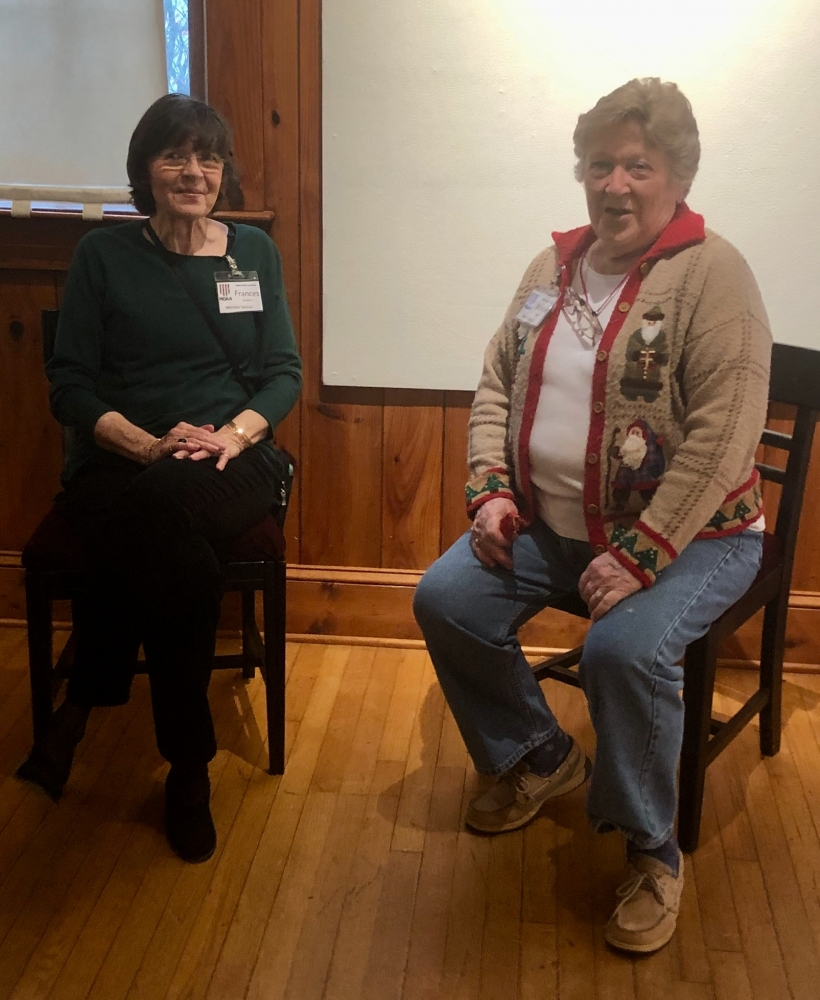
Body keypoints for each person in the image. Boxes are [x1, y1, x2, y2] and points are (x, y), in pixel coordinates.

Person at [413, 78, 770, 953]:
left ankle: (653, 850)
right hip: (556, 524)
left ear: (678, 176)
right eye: (600, 164)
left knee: (622, 650)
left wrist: (643, 552)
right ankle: (540, 756)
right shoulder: (551, 268)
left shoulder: (714, 274)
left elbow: (725, 433)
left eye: (638, 166)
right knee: (446, 600)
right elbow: (497, 384)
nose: (615, 185)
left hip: (698, 539)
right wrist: (492, 490)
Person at [16, 94, 302, 864]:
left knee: (156, 517)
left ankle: (84, 695)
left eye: (208, 157)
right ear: (144, 169)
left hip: (232, 459)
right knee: (178, 554)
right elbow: (69, 385)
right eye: (174, 155)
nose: (193, 171)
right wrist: (147, 446)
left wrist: (230, 437)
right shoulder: (103, 257)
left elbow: (283, 373)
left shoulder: (253, 253)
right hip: (121, 463)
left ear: (223, 171)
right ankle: (188, 767)